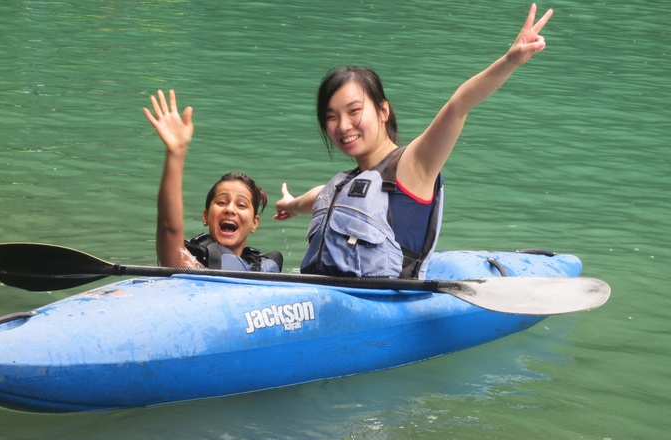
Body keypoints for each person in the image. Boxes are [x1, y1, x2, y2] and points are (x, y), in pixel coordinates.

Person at [275, 4, 553, 279]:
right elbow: (316, 198)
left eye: (354, 111)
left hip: (386, 303)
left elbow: (458, 106)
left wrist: (510, 61)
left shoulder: (413, 164)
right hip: (327, 295)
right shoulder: (344, 185)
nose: (343, 125)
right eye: (332, 116)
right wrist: (290, 205)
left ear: (383, 110)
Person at [143, 89, 282, 272]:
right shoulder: (191, 264)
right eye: (222, 202)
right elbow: (168, 227)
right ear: (205, 216)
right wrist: (176, 152)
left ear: (254, 223)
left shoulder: (260, 268)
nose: (230, 209)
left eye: (241, 205)